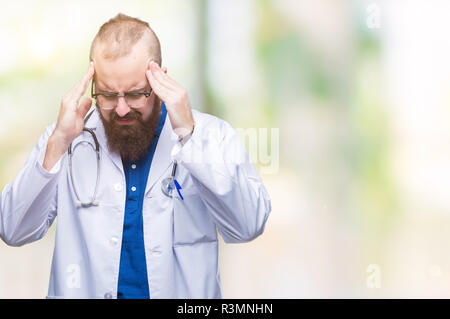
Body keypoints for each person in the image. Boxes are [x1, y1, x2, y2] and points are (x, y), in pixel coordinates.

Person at [0, 13, 271, 299]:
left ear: (159, 80)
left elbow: (248, 225)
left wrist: (190, 136)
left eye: (134, 94)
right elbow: (13, 229)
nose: (120, 109)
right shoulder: (67, 138)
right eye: (106, 94)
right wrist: (57, 142)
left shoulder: (210, 135)